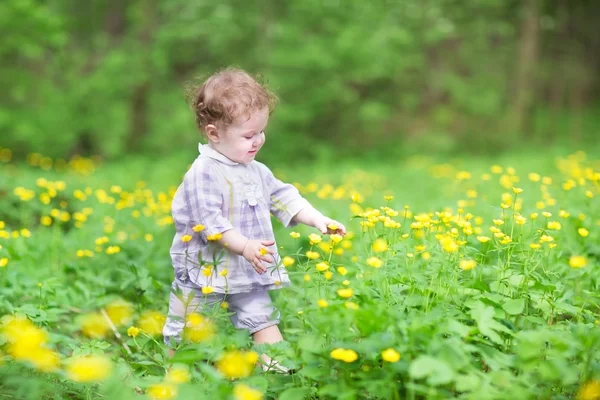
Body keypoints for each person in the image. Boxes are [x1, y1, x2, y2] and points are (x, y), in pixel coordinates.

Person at [162, 67, 346, 372]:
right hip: (204, 271)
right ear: (214, 133)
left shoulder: (256, 170)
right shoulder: (203, 171)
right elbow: (209, 221)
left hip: (248, 269)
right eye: (248, 135)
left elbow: (283, 197)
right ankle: (171, 379)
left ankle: (278, 373)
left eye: (261, 132)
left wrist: (316, 219)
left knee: (261, 318)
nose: (257, 141)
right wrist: (245, 245)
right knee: (187, 328)